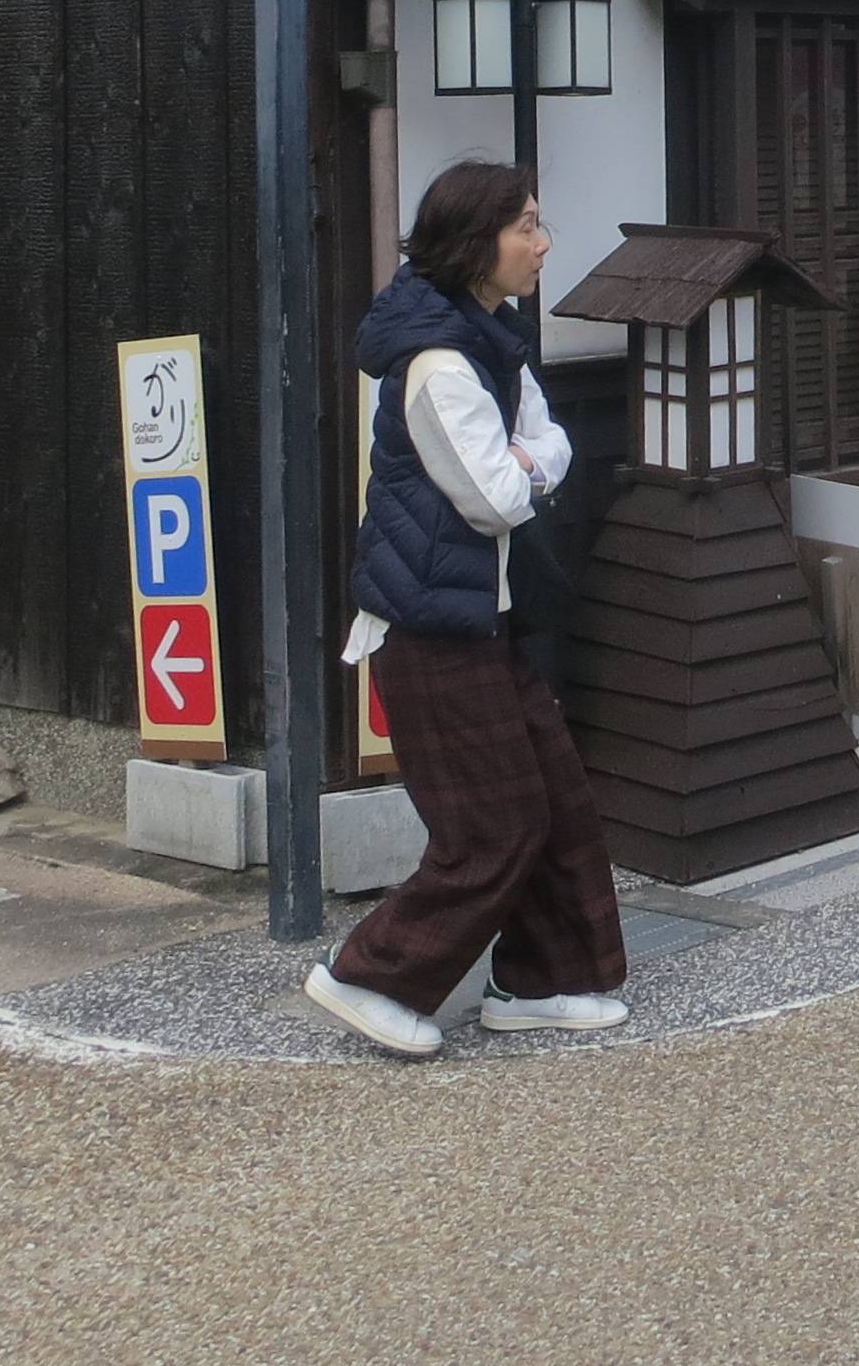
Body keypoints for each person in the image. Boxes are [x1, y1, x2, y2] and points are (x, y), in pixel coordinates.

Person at [301, 157, 630, 1060]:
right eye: (525, 224)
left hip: (487, 618)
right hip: (430, 631)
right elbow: (496, 495)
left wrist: (531, 462)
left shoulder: (492, 334)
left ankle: (538, 982)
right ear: (474, 240)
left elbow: (544, 440)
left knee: (557, 802)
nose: (543, 242)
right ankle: (369, 976)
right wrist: (532, 465)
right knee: (494, 825)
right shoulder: (441, 362)